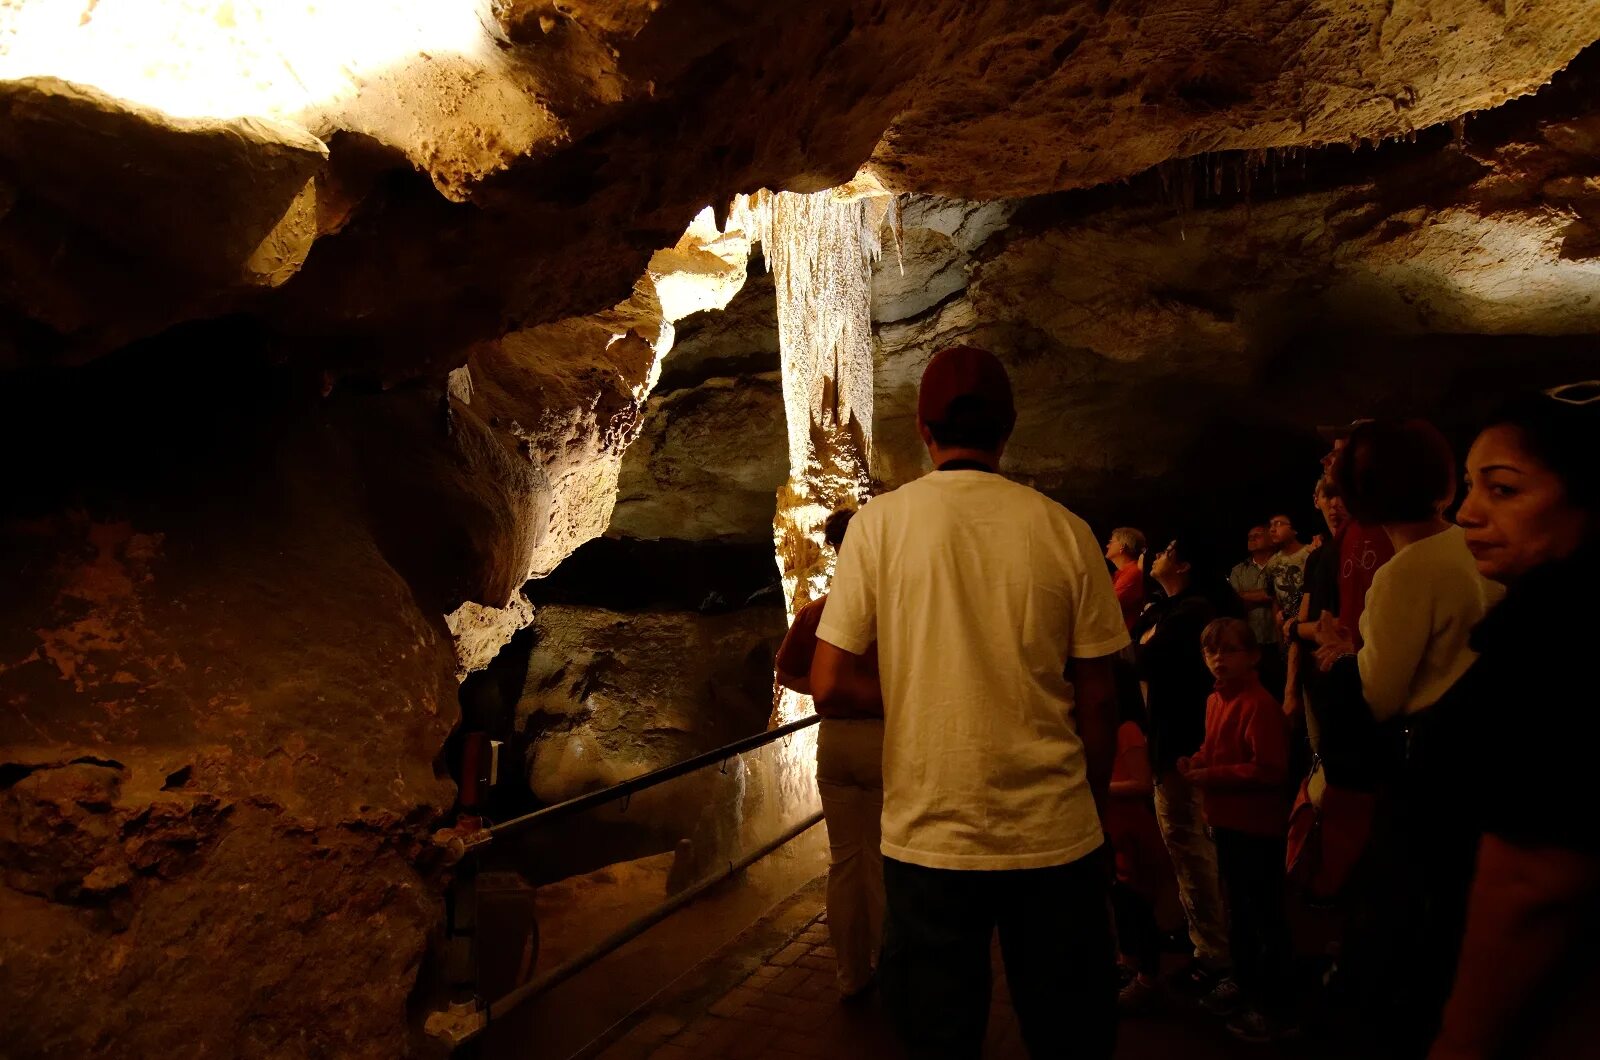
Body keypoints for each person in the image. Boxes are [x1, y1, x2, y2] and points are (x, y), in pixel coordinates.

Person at [811, 344, 1126, 1060]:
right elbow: (1099, 701)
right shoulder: (1067, 532)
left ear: (925, 431)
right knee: (1069, 1036)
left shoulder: (878, 526)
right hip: (1055, 833)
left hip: (930, 834)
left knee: (935, 1036)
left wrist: (921, 691)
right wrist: (1095, 813)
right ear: (1007, 431)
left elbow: (827, 683)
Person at [1311, 418, 1503, 1054]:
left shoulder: (1404, 573)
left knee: (1407, 943)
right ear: (1445, 483)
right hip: (1488, 764)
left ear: (1357, 497)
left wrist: (1343, 653)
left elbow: (1380, 694)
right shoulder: (1477, 548)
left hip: (1428, 780)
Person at [1424, 384, 1600, 1060]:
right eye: (1470, 486)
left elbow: (1535, 876)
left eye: (1502, 490)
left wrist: (1461, 1039)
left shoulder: (1559, 636)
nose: (1465, 512)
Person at [775, 508, 884, 1000]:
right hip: (886, 736)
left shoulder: (821, 610)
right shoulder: (895, 609)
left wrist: (829, 693)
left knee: (845, 861)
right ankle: (889, 967)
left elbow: (788, 671)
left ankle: (849, 974)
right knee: (883, 859)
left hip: (835, 738)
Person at [1132, 534, 1233, 1008]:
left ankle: (1215, 954)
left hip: (1184, 743)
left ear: (1187, 564)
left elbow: (1142, 657)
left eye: (1171, 549)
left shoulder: (1192, 612)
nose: (1158, 555)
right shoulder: (1166, 608)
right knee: (1184, 844)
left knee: (1191, 845)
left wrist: (1142, 644)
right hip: (1170, 737)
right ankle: (1202, 936)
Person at [1181, 617, 1293, 1042]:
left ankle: (1276, 1006)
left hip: (1256, 827)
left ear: (1254, 657)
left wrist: (1213, 775)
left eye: (1229, 650)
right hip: (1227, 821)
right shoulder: (1216, 700)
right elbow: (1215, 747)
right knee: (1240, 913)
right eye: (1211, 651)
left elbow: (1269, 770)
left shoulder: (1258, 704)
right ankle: (1248, 986)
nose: (1218, 658)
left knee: (1263, 915)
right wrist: (1198, 759)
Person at [1106, 693, 1172, 1014]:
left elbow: (1143, 782)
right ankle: (1129, 964)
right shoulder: (1108, 729)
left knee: (1138, 907)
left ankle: (1148, 978)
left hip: (1134, 833)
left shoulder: (1126, 729)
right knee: (1124, 905)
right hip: (1119, 834)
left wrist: (1096, 786)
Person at [1229, 525, 1283, 698]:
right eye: (1249, 536)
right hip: (1252, 640)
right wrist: (1270, 595)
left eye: (1257, 535)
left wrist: (1247, 595)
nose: (1251, 538)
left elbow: (1282, 592)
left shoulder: (1282, 564)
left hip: (1280, 640)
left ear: (1270, 538)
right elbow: (1235, 600)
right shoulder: (1238, 570)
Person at [1105, 526, 1148, 630]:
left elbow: (1107, 607)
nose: (1107, 546)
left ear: (1122, 547)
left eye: (1111, 542)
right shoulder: (1120, 573)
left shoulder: (1133, 573)